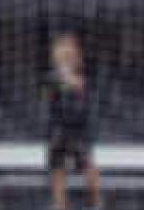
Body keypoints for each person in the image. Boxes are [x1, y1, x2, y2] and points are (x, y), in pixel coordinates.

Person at [46, 33, 98, 210]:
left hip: (79, 128)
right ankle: (61, 205)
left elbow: (79, 86)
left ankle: (95, 202)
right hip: (58, 127)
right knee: (56, 166)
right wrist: (61, 74)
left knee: (86, 163)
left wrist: (66, 74)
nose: (65, 55)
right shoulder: (53, 77)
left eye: (69, 51)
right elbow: (51, 92)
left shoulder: (82, 72)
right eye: (62, 51)